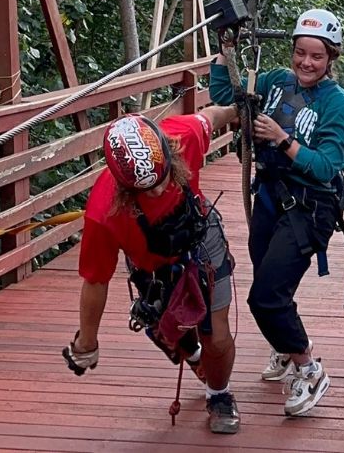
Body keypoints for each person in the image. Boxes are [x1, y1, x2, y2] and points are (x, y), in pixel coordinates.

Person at [210, 8, 344, 417]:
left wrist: (282, 138)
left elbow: (328, 165)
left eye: (316, 56)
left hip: (310, 207)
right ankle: (284, 346)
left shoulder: (337, 104)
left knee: (266, 296)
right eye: (300, 53)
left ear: (331, 59)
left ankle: (308, 366)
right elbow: (227, 96)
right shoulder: (275, 82)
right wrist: (226, 51)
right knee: (271, 283)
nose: (306, 63)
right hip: (271, 198)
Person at [62, 105, 242, 434]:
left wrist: (237, 110)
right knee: (176, 332)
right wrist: (87, 342)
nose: (158, 191)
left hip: (202, 241)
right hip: (155, 269)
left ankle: (219, 394)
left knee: (216, 336)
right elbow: (95, 280)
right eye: (145, 190)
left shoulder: (183, 136)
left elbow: (212, 117)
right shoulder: (104, 212)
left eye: (162, 180)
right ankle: (185, 347)